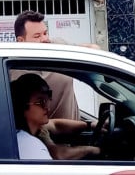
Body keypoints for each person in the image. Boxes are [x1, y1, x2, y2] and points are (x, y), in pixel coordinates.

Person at [11, 10, 100, 160]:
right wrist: (95, 150)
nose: (45, 39)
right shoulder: (12, 69)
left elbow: (94, 51)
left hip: (72, 138)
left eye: (45, 33)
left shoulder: (58, 48)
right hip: (42, 149)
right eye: (37, 36)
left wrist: (90, 125)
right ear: (20, 41)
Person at [10, 73, 53, 160]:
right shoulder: (32, 147)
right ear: (23, 107)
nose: (47, 107)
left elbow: (56, 124)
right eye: (41, 102)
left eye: (48, 100)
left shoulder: (15, 136)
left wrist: (87, 124)